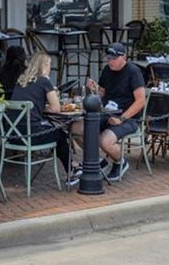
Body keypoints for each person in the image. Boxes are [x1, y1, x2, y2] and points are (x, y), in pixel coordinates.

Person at [10, 52, 76, 184]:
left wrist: (38, 107)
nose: (50, 68)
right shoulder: (44, 81)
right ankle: (72, 170)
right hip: (31, 135)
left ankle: (74, 167)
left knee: (55, 133)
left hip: (12, 136)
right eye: (50, 64)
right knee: (60, 134)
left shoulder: (21, 80)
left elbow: (28, 104)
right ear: (44, 65)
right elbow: (56, 108)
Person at [84, 43, 145, 181]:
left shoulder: (133, 71)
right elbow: (102, 94)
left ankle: (120, 162)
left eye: (114, 58)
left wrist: (122, 118)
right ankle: (99, 160)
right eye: (108, 58)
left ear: (124, 57)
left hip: (128, 118)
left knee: (105, 141)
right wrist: (94, 89)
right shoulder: (107, 70)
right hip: (106, 112)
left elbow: (141, 101)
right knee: (79, 128)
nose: (110, 61)